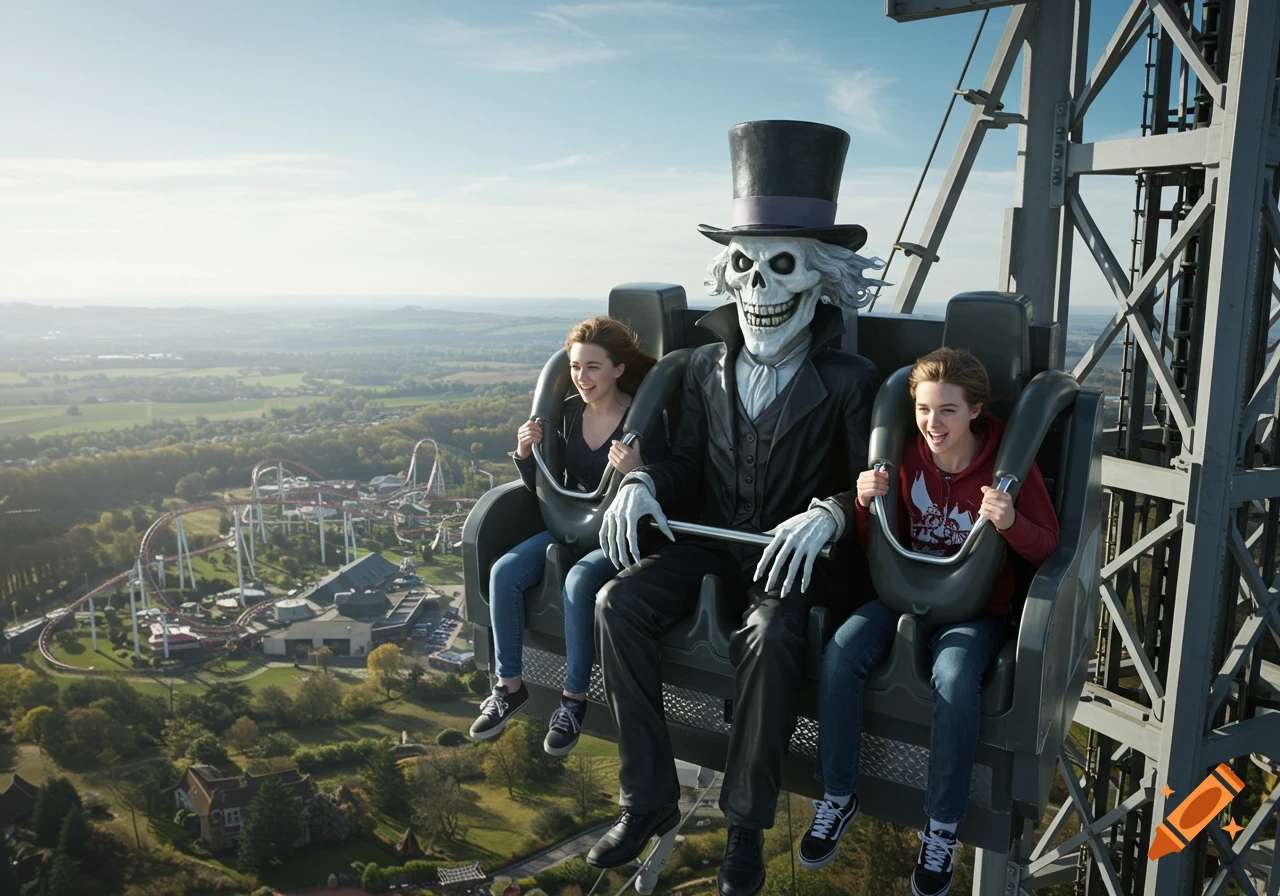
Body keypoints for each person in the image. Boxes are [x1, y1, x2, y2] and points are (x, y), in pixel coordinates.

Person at [589, 120, 883, 896]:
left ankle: (744, 827)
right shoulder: (700, 369)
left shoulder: (851, 382)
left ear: (819, 278)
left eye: (781, 268)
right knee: (619, 601)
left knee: (774, 628)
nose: (759, 289)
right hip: (710, 542)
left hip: (789, 561)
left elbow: (864, 487)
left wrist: (827, 514)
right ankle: (645, 795)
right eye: (746, 266)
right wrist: (645, 483)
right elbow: (686, 463)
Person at [798, 347, 1060, 896]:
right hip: (903, 598)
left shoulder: (1005, 467)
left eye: (946, 411)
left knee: (955, 678)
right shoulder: (907, 457)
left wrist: (1010, 521)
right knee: (841, 653)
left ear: (975, 411)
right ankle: (838, 795)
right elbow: (881, 549)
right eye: (922, 409)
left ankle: (941, 825)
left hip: (975, 610)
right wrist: (869, 509)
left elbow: (1047, 549)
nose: (931, 423)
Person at [469, 316, 668, 756]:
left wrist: (639, 471)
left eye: (593, 367)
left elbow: (670, 483)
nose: (582, 378)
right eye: (576, 367)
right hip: (567, 525)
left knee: (579, 582)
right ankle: (509, 687)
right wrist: (525, 453)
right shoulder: (570, 414)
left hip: (616, 534)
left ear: (618, 369)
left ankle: (573, 700)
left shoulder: (642, 420)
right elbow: (546, 483)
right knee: (505, 571)